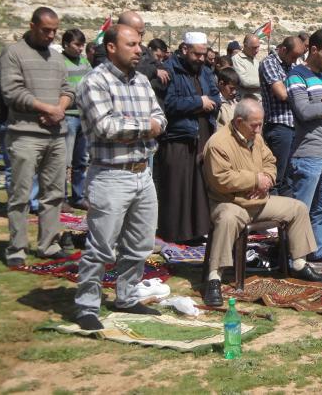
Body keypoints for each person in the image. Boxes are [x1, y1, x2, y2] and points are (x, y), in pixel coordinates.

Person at [73, 24, 167, 331]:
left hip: (142, 172)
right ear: (111, 47)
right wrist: (144, 126)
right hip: (110, 175)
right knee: (101, 246)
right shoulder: (94, 82)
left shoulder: (141, 81)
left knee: (140, 244)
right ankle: (87, 304)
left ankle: (126, 296)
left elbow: (161, 118)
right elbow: (105, 127)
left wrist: (138, 124)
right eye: (131, 44)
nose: (139, 49)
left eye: (139, 44)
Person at [201, 98, 322, 306]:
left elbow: (270, 162)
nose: (258, 130)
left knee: (298, 208)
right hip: (231, 202)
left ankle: (299, 263)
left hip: (258, 200)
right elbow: (221, 179)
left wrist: (265, 180)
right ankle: (214, 278)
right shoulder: (218, 143)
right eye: (254, 125)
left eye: (261, 124)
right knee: (227, 219)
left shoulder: (256, 138)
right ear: (239, 121)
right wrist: (254, 180)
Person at [0, 7, 75, 266]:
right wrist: (46, 108)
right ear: (32, 26)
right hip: (25, 135)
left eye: (55, 30)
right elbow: (11, 92)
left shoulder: (55, 58)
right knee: (20, 194)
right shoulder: (13, 53)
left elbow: (68, 89)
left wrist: (60, 109)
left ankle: (49, 244)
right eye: (46, 30)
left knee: (54, 193)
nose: (51, 35)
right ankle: (17, 248)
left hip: (56, 134)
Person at [156, 32, 220, 243]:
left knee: (199, 186)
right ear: (184, 50)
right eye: (197, 55)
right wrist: (198, 103)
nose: (201, 59)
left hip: (202, 133)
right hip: (179, 136)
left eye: (203, 55)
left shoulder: (205, 71)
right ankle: (175, 233)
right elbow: (169, 104)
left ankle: (196, 230)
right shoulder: (169, 70)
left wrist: (208, 102)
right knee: (179, 186)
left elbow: (216, 97)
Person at [285, 29, 322, 262]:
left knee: (321, 208)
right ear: (314, 50)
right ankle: (294, 257)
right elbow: (304, 110)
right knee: (301, 210)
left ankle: (316, 251)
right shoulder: (296, 76)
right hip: (308, 152)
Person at [259, 36, 306, 196]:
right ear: (284, 50)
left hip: (294, 125)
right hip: (279, 125)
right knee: (277, 176)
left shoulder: (291, 65)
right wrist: (301, 93)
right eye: (293, 56)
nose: (295, 60)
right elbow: (282, 94)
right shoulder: (269, 63)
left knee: (290, 176)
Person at [60, 29, 91, 212]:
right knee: (64, 162)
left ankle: (78, 197)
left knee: (81, 160)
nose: (80, 49)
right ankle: (61, 198)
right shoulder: (59, 62)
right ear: (66, 44)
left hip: (83, 116)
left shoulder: (85, 62)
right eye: (76, 45)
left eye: (82, 45)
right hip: (68, 117)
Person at [232, 34, 262, 100]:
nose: (257, 50)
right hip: (247, 101)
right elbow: (244, 81)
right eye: (254, 48)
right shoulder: (237, 59)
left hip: (260, 99)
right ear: (245, 46)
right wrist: (264, 82)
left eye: (258, 47)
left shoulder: (255, 60)